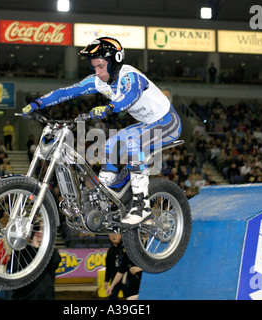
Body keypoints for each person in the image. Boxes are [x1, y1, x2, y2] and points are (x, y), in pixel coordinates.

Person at [22, 37, 182, 225]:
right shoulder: (99, 81)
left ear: (115, 63)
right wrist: (37, 103)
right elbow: (67, 92)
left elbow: (129, 96)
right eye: (94, 67)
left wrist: (109, 107)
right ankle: (105, 193)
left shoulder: (131, 76)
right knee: (111, 144)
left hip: (167, 121)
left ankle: (142, 206)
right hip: (147, 124)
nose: (97, 72)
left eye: (100, 66)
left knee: (132, 142)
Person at [104, 233, 127, 300]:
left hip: (125, 278)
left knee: (129, 296)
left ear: (120, 235)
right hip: (114, 279)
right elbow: (108, 266)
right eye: (111, 235)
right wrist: (106, 280)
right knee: (111, 297)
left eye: (115, 234)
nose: (113, 236)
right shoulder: (110, 251)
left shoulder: (126, 248)